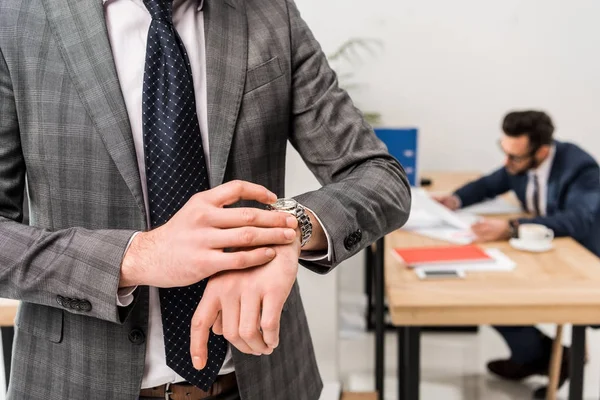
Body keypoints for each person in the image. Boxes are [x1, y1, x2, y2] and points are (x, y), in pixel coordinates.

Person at [0, 0, 412, 398]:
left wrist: (284, 228)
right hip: (75, 382)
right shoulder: (15, 18)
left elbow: (380, 177)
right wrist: (136, 257)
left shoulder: (269, 11)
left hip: (267, 381)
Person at [436, 110, 600, 397]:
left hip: (581, 260)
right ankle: (539, 356)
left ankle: (548, 358)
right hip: (544, 249)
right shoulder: (519, 165)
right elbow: (491, 183)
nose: (507, 162)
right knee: (486, 289)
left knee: (498, 292)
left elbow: (579, 220)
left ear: (543, 151)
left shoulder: (580, 169)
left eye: (515, 157)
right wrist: (455, 199)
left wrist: (512, 227)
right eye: (505, 152)